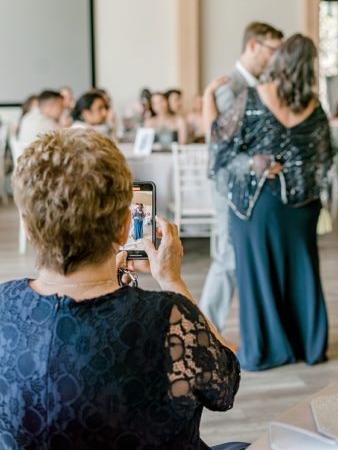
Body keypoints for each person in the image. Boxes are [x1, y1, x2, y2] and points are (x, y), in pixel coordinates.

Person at [1, 129, 245, 449]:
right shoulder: (169, 317)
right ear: (125, 226)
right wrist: (172, 280)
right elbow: (224, 389)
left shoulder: (5, 305)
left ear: (28, 228)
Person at [209, 34, 332, 371]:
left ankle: (266, 348)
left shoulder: (251, 98)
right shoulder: (314, 108)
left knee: (260, 276)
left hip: (257, 204)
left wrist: (254, 164)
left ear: (279, 63)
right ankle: (305, 345)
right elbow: (324, 160)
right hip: (300, 204)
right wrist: (298, 177)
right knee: (301, 273)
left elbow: (218, 147)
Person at [199, 21, 284, 331]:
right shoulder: (228, 87)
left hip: (253, 188)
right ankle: (207, 333)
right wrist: (257, 163)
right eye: (272, 50)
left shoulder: (259, 86)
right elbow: (221, 149)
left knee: (239, 259)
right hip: (229, 186)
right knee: (227, 259)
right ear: (252, 46)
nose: (276, 58)